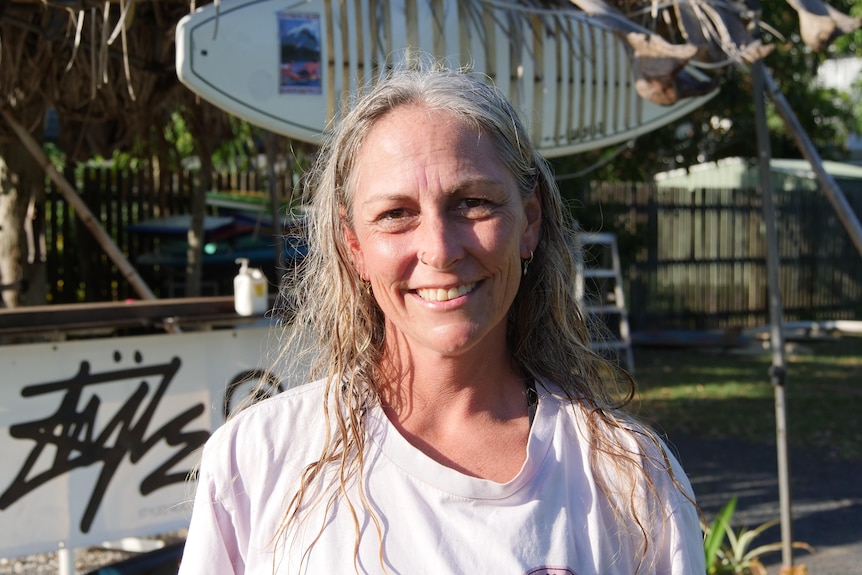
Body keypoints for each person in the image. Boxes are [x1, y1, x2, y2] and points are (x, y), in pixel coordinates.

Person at [178, 63, 705, 574]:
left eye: (472, 203)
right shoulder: (257, 460)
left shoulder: (628, 478)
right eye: (395, 214)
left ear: (531, 221)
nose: (439, 249)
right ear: (353, 244)